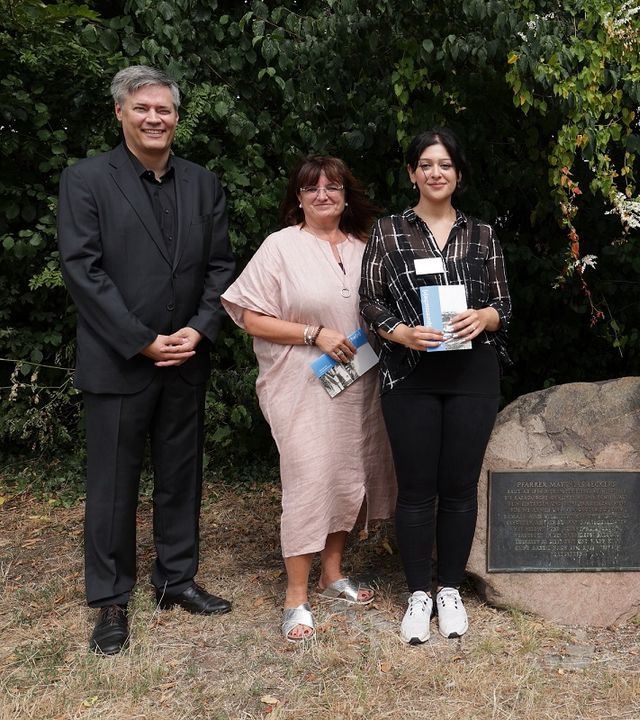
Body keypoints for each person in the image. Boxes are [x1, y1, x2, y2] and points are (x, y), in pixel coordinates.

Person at [57, 65, 236, 655]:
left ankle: (176, 580)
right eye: (142, 109)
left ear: (177, 117)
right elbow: (83, 270)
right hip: (120, 362)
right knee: (112, 484)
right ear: (120, 113)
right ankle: (110, 600)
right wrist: (140, 339)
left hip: (185, 358)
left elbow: (219, 269)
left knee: (181, 478)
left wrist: (199, 329)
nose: (154, 118)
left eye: (164, 109)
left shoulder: (204, 185)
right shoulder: (86, 180)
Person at [221, 156, 397, 642]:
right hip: (300, 383)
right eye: (312, 187)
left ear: (346, 195)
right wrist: (312, 333)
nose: (323, 194)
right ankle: (295, 597)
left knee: (348, 472)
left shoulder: (367, 247)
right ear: (298, 198)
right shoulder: (281, 246)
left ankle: (332, 573)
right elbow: (249, 316)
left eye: (333, 186)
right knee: (308, 477)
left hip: (358, 381)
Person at [358, 128, 511, 644]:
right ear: (411, 173)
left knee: (460, 487)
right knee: (417, 488)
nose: (435, 172)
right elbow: (370, 301)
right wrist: (399, 331)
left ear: (458, 174)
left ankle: (450, 589)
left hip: (473, 376)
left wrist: (484, 317)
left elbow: (505, 306)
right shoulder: (387, 231)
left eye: (444, 164)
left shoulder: (483, 234)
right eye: (425, 164)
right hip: (410, 374)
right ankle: (419, 592)